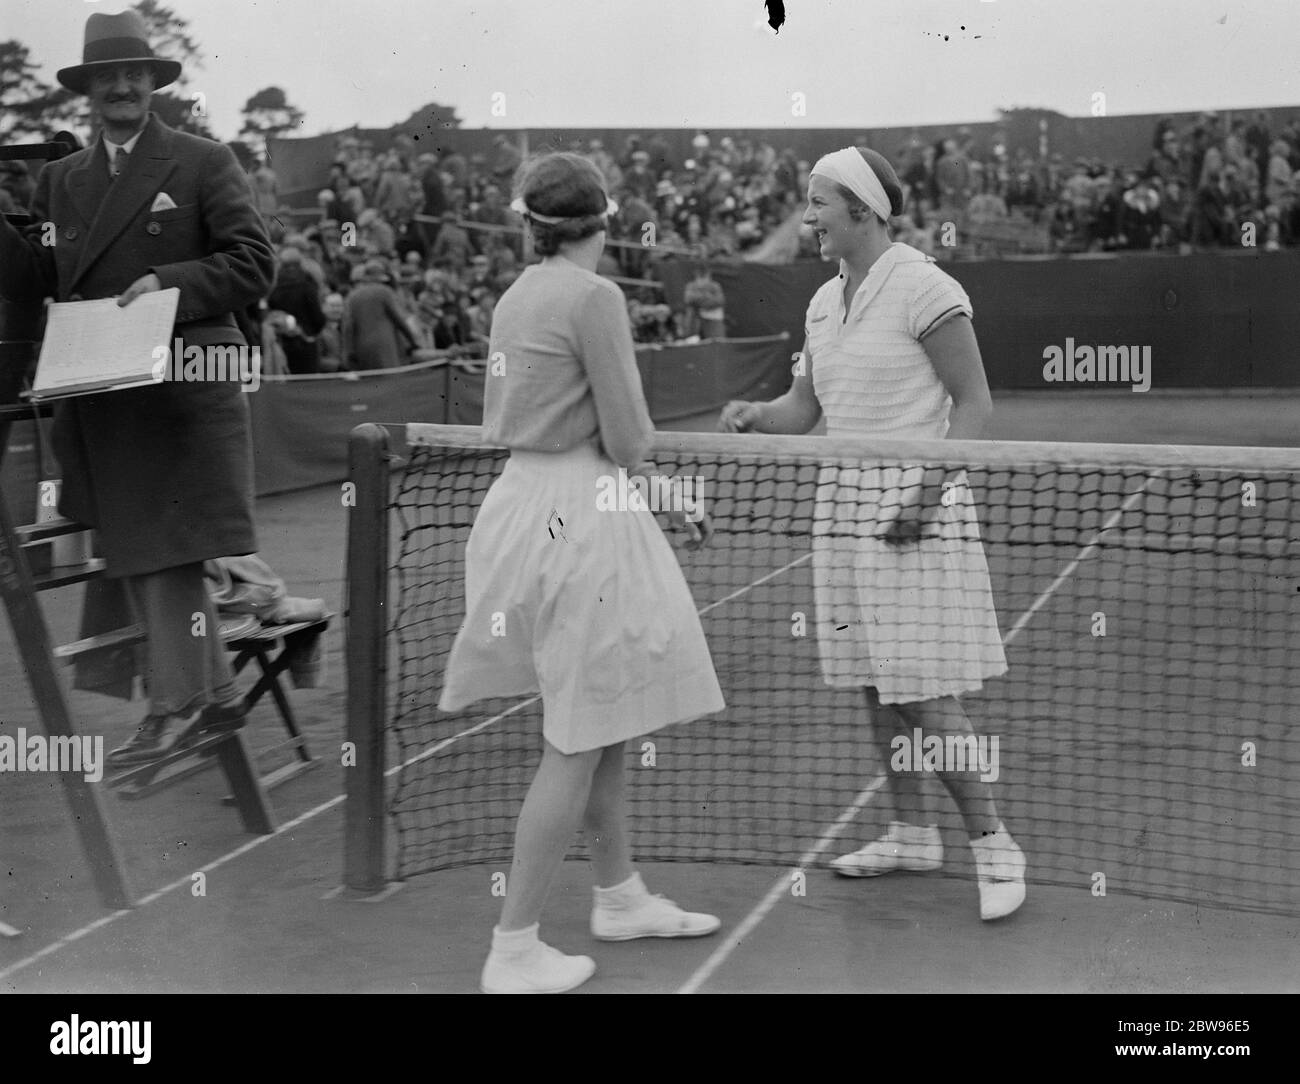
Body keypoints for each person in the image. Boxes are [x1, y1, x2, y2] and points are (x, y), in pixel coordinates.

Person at [438, 153, 725, 994]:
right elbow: (628, 439)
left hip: (525, 505)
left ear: (530, 224)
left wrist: (660, 492)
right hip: (580, 520)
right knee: (578, 736)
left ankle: (619, 895)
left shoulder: (515, 295)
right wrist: (662, 482)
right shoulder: (597, 297)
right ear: (605, 218)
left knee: (602, 720)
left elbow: (576, 433)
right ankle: (514, 948)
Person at [718, 146, 1026, 922]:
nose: (808, 216)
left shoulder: (926, 286)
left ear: (862, 208)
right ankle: (910, 830)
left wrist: (925, 494)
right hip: (845, 516)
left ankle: (993, 842)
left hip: (916, 513)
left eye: (819, 201)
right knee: (873, 680)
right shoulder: (824, 301)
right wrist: (760, 417)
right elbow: (805, 408)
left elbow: (976, 403)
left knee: (921, 686)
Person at [0, 10, 275, 764]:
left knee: (167, 551)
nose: (121, 87)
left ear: (153, 83)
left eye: (133, 74)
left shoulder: (204, 160)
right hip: (105, 394)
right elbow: (39, 280)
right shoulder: (59, 180)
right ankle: (207, 700)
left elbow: (255, 265)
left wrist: (167, 284)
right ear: (87, 91)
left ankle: (178, 705)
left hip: (182, 390)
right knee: (143, 551)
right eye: (106, 77)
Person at [343, 259, 419, 369]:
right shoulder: (384, 292)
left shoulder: (352, 296)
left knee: (369, 382)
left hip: (361, 346)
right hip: (385, 345)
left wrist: (349, 351)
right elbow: (399, 320)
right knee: (388, 380)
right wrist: (413, 341)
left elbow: (348, 327)